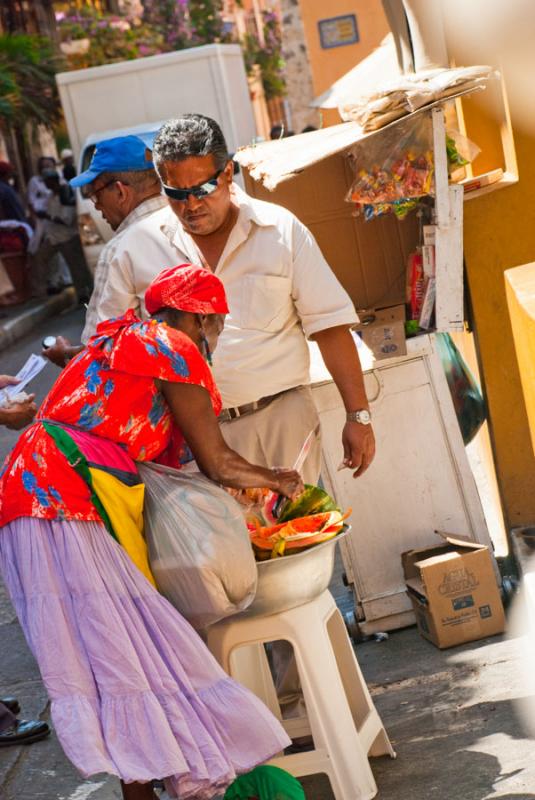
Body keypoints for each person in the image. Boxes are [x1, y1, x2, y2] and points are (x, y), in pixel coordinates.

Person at [0, 264, 303, 800]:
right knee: (128, 654)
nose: (213, 340)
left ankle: (146, 785)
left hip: (29, 495)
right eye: (214, 328)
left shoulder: (117, 341)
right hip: (66, 498)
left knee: (114, 658)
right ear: (195, 315)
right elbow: (217, 462)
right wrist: (278, 479)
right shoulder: (170, 344)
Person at [98, 114, 375, 486]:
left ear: (228, 173)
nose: (191, 204)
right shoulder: (134, 249)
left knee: (301, 536)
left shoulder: (280, 230)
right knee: (224, 546)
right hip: (187, 446)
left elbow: (330, 325)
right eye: (176, 194)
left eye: (203, 188)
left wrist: (358, 416)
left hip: (281, 422)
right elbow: (104, 348)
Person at [43, 136, 167, 368]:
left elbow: (99, 350)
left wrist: (67, 355)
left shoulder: (118, 250)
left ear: (120, 192)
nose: (97, 205)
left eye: (95, 194)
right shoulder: (189, 222)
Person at [35, 169, 93, 302]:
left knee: (76, 267)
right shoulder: (50, 196)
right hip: (53, 237)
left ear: (53, 181)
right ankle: (47, 288)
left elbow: (66, 220)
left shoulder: (65, 192)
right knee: (40, 258)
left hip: (67, 237)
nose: (45, 184)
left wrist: (46, 216)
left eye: (47, 182)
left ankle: (84, 293)